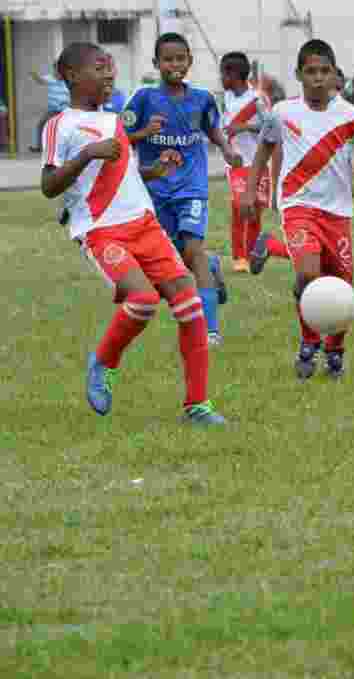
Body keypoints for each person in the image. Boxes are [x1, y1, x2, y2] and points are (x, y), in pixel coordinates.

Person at [40, 42, 225, 425]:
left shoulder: (114, 122)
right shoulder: (61, 125)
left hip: (145, 225)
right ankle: (103, 363)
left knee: (190, 307)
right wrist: (87, 154)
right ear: (72, 76)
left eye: (110, 69)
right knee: (141, 300)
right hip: (102, 232)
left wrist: (156, 171)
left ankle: (198, 406)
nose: (109, 75)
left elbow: (123, 174)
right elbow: (49, 185)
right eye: (99, 68)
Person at [241, 39, 354, 380]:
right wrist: (251, 191)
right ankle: (308, 343)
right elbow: (263, 150)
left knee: (341, 286)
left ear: (335, 75)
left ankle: (335, 350)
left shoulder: (351, 116)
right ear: (299, 75)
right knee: (308, 273)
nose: (318, 78)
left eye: (325, 71)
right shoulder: (282, 112)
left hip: (337, 212)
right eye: (311, 71)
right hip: (298, 204)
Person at [121, 32, 243, 347]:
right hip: (154, 190)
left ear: (189, 61)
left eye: (180, 58)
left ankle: (210, 331)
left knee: (191, 250)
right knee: (173, 259)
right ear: (156, 64)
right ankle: (212, 264)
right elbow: (119, 140)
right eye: (168, 59)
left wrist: (228, 150)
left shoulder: (202, 98)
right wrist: (145, 132)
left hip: (191, 188)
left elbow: (213, 130)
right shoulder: (143, 99)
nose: (175, 64)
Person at [219, 51, 289, 273]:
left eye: (223, 73)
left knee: (255, 209)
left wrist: (246, 127)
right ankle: (238, 257)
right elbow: (224, 126)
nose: (220, 78)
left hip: (259, 162)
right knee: (240, 205)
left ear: (235, 74)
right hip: (238, 163)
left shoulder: (257, 100)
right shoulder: (226, 98)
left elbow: (272, 127)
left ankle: (253, 253)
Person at [30, 62, 70, 152]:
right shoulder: (50, 78)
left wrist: (66, 102)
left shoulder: (68, 80)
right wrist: (34, 75)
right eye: (56, 70)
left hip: (66, 110)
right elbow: (40, 80)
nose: (57, 73)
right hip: (53, 110)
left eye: (59, 70)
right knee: (41, 123)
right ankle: (39, 147)